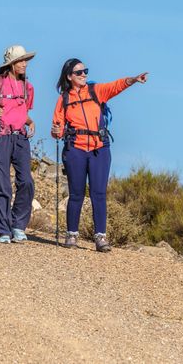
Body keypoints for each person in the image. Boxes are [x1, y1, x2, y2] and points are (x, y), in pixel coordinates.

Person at [51, 58, 148, 252]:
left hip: (99, 149)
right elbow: (58, 128)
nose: (84, 74)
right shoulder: (64, 99)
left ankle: (100, 238)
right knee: (76, 193)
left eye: (85, 71)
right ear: (70, 76)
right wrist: (56, 131)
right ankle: (71, 235)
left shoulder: (96, 91)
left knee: (99, 193)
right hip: (75, 148)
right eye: (79, 72)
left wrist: (134, 79)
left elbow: (117, 86)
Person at [0, 45, 37, 244]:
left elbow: (21, 111)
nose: (25, 64)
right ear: (11, 64)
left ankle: (18, 225)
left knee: (27, 182)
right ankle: (3, 230)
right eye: (21, 60)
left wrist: (29, 121)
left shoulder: (27, 87)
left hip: (20, 137)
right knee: (3, 184)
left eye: (25, 60)